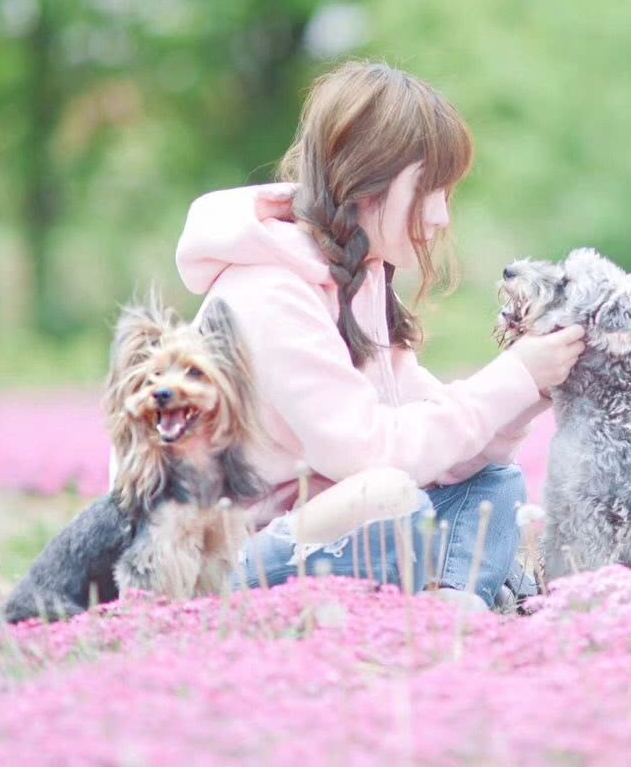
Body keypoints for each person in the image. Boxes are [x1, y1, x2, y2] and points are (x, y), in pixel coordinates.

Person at [172, 60, 585, 609]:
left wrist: (530, 392)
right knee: (391, 497)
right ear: (368, 182)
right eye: (428, 188)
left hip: (309, 528)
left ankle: (454, 605)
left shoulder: (359, 280)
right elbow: (369, 455)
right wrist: (511, 377)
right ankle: (439, 601)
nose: (440, 216)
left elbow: (442, 442)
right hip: (216, 564)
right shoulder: (270, 295)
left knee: (495, 484)